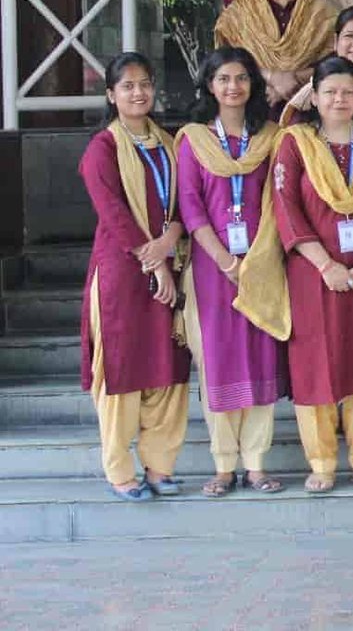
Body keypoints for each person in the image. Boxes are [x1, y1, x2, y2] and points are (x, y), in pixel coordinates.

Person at [272, 56, 353, 491]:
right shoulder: (295, 143)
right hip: (313, 274)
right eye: (330, 92)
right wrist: (325, 264)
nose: (339, 99)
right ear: (314, 96)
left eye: (348, 91)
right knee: (316, 364)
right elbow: (286, 208)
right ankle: (322, 463)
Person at [80, 53, 191, 500]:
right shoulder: (102, 148)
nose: (138, 92)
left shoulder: (169, 143)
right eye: (127, 86)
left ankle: (160, 467)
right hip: (122, 273)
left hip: (169, 261)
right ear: (111, 95)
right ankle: (120, 470)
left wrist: (171, 241)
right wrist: (155, 260)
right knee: (122, 368)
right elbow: (113, 213)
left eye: (144, 84)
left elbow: (185, 203)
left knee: (168, 365)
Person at [176, 49, 286, 497]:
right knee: (217, 361)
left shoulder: (271, 137)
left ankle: (256, 464)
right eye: (223, 78)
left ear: (253, 84)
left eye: (242, 78)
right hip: (211, 268)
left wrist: (255, 262)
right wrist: (225, 261)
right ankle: (223, 464)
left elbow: (278, 202)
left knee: (259, 357)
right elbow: (190, 207)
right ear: (209, 85)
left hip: (262, 265)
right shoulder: (194, 139)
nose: (233, 86)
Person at [213, 0, 336, 110]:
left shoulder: (321, 10)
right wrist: (271, 77)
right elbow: (224, 60)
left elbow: (336, 59)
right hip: (250, 108)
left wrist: (294, 79)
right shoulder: (239, 12)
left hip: (310, 108)